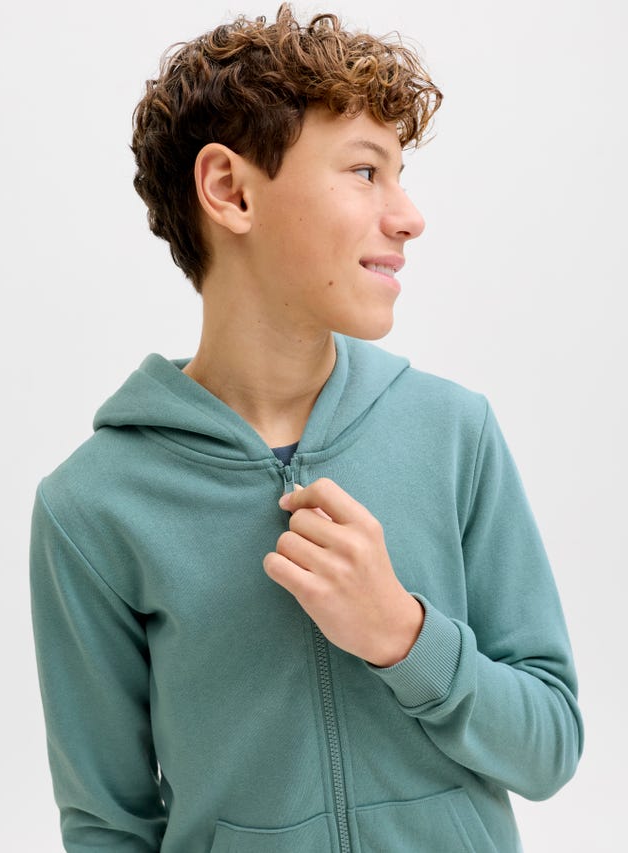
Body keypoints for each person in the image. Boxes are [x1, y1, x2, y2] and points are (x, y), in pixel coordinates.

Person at [29, 4, 583, 851]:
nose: (409, 216)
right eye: (365, 171)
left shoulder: (454, 432)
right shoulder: (91, 506)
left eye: (399, 175)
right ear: (231, 190)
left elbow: (550, 749)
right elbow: (107, 825)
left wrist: (403, 635)